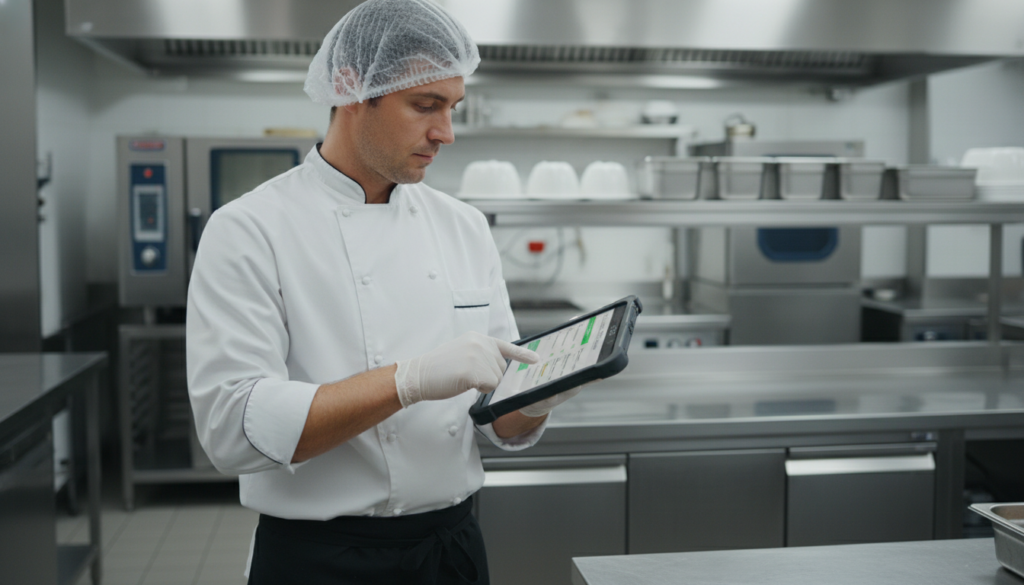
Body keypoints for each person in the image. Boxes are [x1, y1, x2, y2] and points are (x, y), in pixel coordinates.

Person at [185, 1, 582, 583]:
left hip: (452, 550)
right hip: (320, 560)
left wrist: (538, 397)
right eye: (425, 106)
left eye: (452, 108)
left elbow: (498, 422)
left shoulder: (463, 225)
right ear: (350, 89)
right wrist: (408, 380)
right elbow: (231, 428)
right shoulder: (250, 228)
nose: (445, 132)